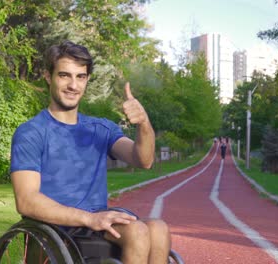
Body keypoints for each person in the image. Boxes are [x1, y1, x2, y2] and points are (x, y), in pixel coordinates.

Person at [10, 40, 171, 263]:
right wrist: (88, 218)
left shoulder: (100, 129)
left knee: (158, 228)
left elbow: (143, 160)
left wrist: (143, 123)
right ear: (48, 76)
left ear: (86, 80)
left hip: (96, 224)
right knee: (138, 231)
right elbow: (27, 201)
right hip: (55, 228)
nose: (73, 85)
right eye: (64, 75)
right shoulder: (31, 133)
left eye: (80, 76)